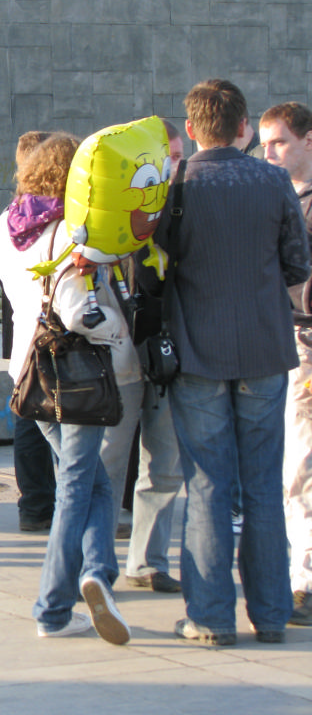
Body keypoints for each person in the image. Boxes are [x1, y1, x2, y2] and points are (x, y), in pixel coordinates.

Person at [163, 80, 309, 645]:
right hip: (265, 348)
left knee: (207, 485)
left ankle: (210, 616)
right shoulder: (273, 180)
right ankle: (270, 614)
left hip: (198, 350)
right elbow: (298, 265)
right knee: (264, 485)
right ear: (244, 127)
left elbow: (156, 268)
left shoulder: (176, 184)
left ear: (192, 129)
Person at [0, 132, 133, 645]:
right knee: (77, 485)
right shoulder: (71, 233)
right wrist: (118, 332)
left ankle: (97, 573)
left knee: (92, 482)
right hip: (73, 375)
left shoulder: (8, 225)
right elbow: (78, 313)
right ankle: (54, 606)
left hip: (27, 371)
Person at [124, 117, 185, 594]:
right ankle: (89, 564)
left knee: (162, 462)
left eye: (179, 159)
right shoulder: (123, 214)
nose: (174, 168)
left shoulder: (187, 208)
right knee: (106, 465)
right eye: (168, 159)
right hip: (123, 352)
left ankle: (147, 561)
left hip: (167, 354)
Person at [259, 101, 312, 626]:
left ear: (308, 141)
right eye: (264, 144)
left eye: (279, 142)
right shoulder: (276, 198)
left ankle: (306, 582)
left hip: (304, 341)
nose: (269, 153)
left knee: (301, 467)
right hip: (281, 343)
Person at [1, 130, 56, 532]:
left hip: (24, 336)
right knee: (64, 435)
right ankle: (61, 506)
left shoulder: (8, 218)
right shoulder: (51, 219)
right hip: (51, 334)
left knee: (29, 420)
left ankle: (35, 507)